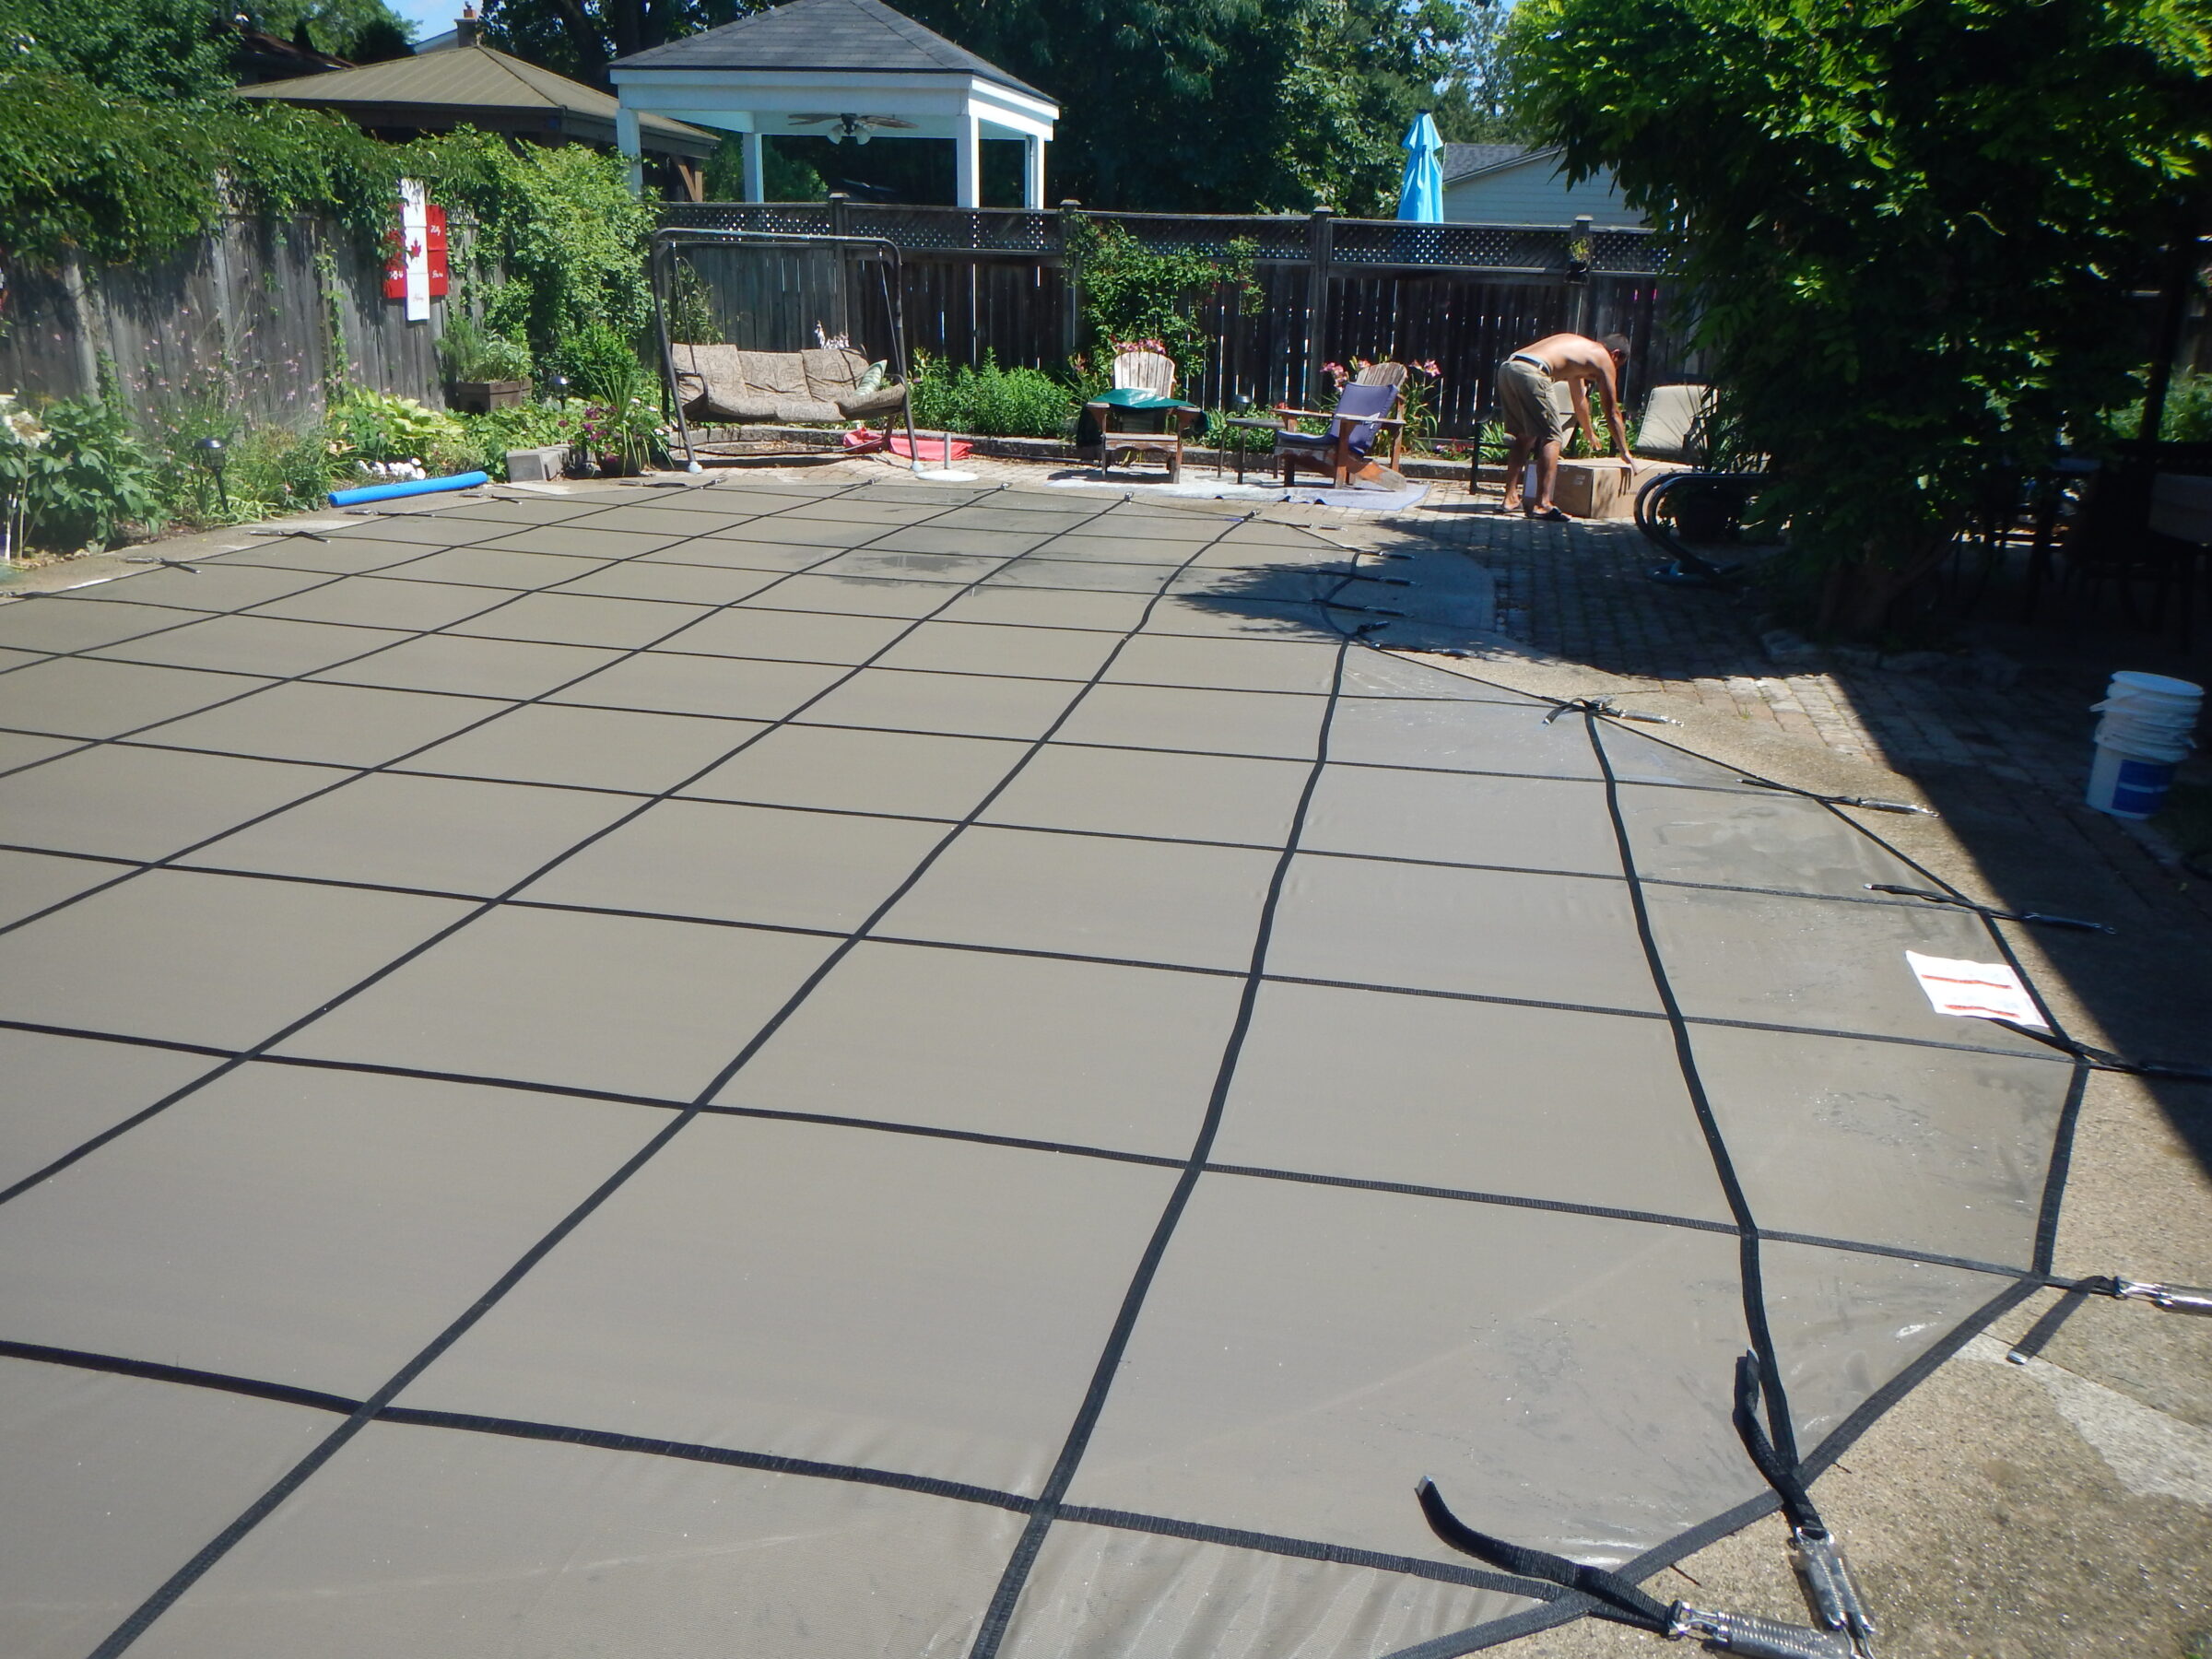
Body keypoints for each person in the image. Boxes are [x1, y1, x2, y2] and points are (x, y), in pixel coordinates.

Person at [1495, 332, 1635, 519]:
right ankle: (1542, 504)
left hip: (1509, 368)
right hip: (1533, 373)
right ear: (1615, 354)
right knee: (1552, 437)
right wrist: (1624, 451)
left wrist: (1589, 431)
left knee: (1525, 435)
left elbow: (1579, 400)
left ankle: (1510, 498)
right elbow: (1612, 412)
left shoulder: (1579, 352)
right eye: (1618, 365)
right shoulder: (1603, 358)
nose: (1613, 370)